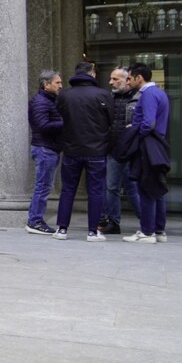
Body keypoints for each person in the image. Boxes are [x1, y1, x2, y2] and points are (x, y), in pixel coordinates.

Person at [53, 61, 113, 242]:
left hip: (71, 149)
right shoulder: (103, 94)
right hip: (96, 149)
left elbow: (60, 118)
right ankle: (93, 231)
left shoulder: (64, 95)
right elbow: (110, 121)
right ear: (92, 74)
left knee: (68, 190)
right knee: (96, 190)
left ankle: (62, 229)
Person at [122, 63, 170, 244]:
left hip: (147, 145)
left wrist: (135, 133)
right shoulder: (160, 93)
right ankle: (159, 230)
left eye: (130, 78)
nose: (128, 81)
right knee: (157, 188)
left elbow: (148, 123)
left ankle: (147, 232)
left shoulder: (147, 94)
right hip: (158, 144)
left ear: (138, 77)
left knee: (146, 188)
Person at [98, 66, 142, 235]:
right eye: (111, 79)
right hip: (114, 149)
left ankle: (146, 223)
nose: (111, 82)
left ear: (127, 80)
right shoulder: (109, 98)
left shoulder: (140, 98)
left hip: (132, 149)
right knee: (112, 187)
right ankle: (113, 222)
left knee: (133, 189)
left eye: (116, 79)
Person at [26, 69, 64, 235]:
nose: (61, 86)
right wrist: (65, 122)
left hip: (49, 147)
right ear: (46, 84)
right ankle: (35, 221)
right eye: (57, 83)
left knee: (44, 186)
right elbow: (43, 126)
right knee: (42, 187)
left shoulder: (48, 100)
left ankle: (35, 220)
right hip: (45, 148)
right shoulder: (41, 101)